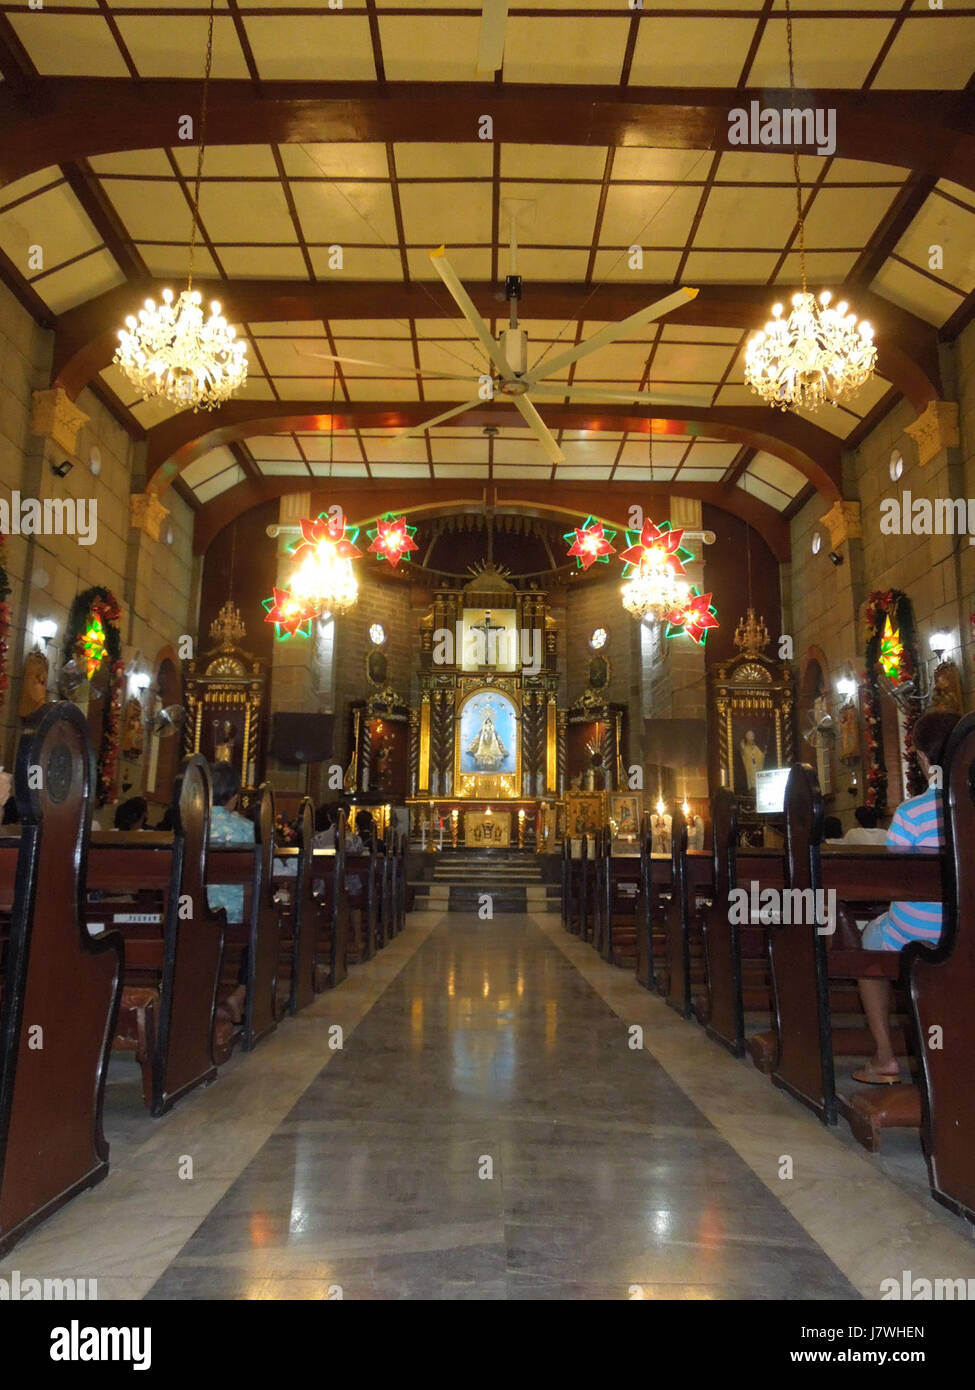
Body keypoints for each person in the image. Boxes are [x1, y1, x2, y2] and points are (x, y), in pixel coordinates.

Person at [853, 710, 960, 1086]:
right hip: (965, 936)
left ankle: (885, 1056)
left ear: (922, 759)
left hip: (917, 935)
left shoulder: (911, 813)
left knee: (869, 942)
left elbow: (893, 881)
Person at [207, 760, 254, 1025]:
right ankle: (238, 996)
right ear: (234, 796)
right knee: (266, 924)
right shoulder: (246, 829)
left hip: (189, 913)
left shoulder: (189, 825)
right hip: (235, 918)